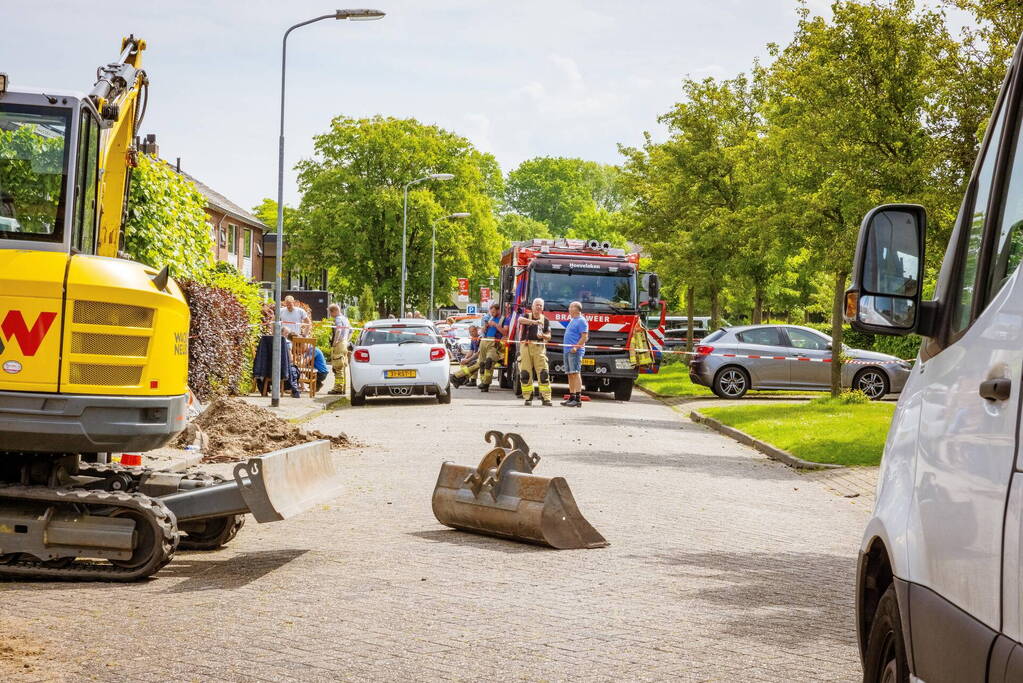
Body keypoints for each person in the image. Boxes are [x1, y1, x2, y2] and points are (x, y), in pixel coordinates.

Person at [451, 303, 506, 392]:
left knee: (489, 361)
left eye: (494, 312)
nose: (492, 314)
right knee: (480, 364)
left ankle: (485, 382)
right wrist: (485, 327)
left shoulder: (503, 319)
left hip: (494, 343)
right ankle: (457, 377)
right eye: (491, 312)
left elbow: (505, 332)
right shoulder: (489, 318)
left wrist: (496, 325)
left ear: (498, 310)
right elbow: (482, 332)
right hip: (484, 341)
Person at [517, 297, 553, 406]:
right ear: (532, 307)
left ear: (543, 308)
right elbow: (520, 320)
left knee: (543, 373)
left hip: (539, 347)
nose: (538, 307)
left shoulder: (545, 320)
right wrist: (534, 322)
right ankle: (528, 397)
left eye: (540, 305)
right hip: (526, 346)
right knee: (525, 373)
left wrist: (543, 336)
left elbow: (549, 336)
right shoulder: (526, 316)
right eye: (536, 305)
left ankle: (546, 398)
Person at [561, 301, 589, 407]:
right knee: (570, 374)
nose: (569, 309)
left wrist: (576, 347)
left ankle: (578, 398)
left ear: (576, 309)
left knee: (576, 373)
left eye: (571, 307)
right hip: (567, 350)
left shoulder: (581, 321)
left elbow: (584, 337)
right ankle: (571, 396)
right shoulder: (573, 320)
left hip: (574, 352)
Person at [327, 303, 352, 395]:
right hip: (345, 344)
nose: (330, 315)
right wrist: (346, 340)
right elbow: (351, 331)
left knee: (337, 367)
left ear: (334, 311)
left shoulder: (338, 319)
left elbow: (338, 330)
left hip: (339, 345)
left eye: (330, 313)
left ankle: (338, 388)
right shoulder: (346, 319)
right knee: (343, 366)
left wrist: (335, 341)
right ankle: (343, 387)